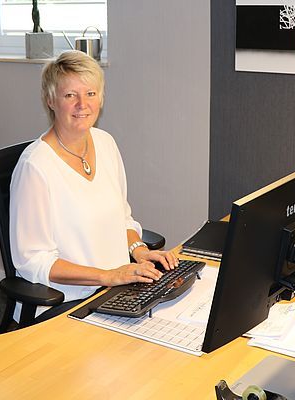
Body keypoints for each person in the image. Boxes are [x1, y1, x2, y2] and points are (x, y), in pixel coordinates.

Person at [10, 50, 178, 320]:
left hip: (117, 289)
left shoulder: (105, 143)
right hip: (68, 302)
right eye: (70, 95)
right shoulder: (35, 167)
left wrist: (139, 251)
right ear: (50, 100)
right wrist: (108, 276)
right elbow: (34, 261)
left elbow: (122, 218)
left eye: (90, 93)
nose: (82, 104)